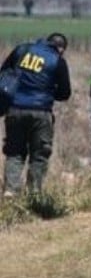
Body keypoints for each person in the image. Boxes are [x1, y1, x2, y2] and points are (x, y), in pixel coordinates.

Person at [1, 32, 71, 197]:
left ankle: (11, 191)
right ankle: (33, 195)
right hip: (41, 112)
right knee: (39, 154)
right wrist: (48, 91)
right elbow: (65, 93)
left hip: (14, 110)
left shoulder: (21, 49)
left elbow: (3, 73)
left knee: (14, 152)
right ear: (61, 49)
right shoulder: (58, 61)